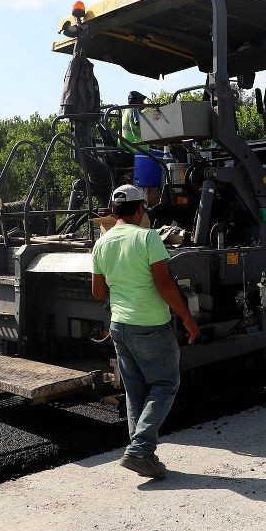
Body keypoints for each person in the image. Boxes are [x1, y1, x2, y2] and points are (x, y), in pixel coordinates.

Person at [91, 184, 200, 479]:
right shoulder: (148, 237)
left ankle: (144, 455)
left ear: (114, 212)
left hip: (119, 327)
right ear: (140, 209)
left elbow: (98, 292)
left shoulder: (101, 243)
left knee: (135, 391)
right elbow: (164, 284)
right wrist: (188, 319)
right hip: (150, 325)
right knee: (165, 384)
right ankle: (139, 451)